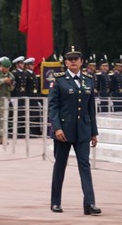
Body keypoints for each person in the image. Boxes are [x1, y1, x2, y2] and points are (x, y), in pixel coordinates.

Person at [49, 45, 101, 215]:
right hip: (63, 131)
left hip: (83, 131)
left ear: (81, 61)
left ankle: (90, 203)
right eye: (70, 59)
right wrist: (56, 128)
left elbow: (90, 109)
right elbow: (53, 107)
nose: (73, 62)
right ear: (65, 62)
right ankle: (55, 202)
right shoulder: (59, 80)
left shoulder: (88, 79)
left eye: (76, 59)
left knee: (84, 166)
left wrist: (94, 132)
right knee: (60, 166)